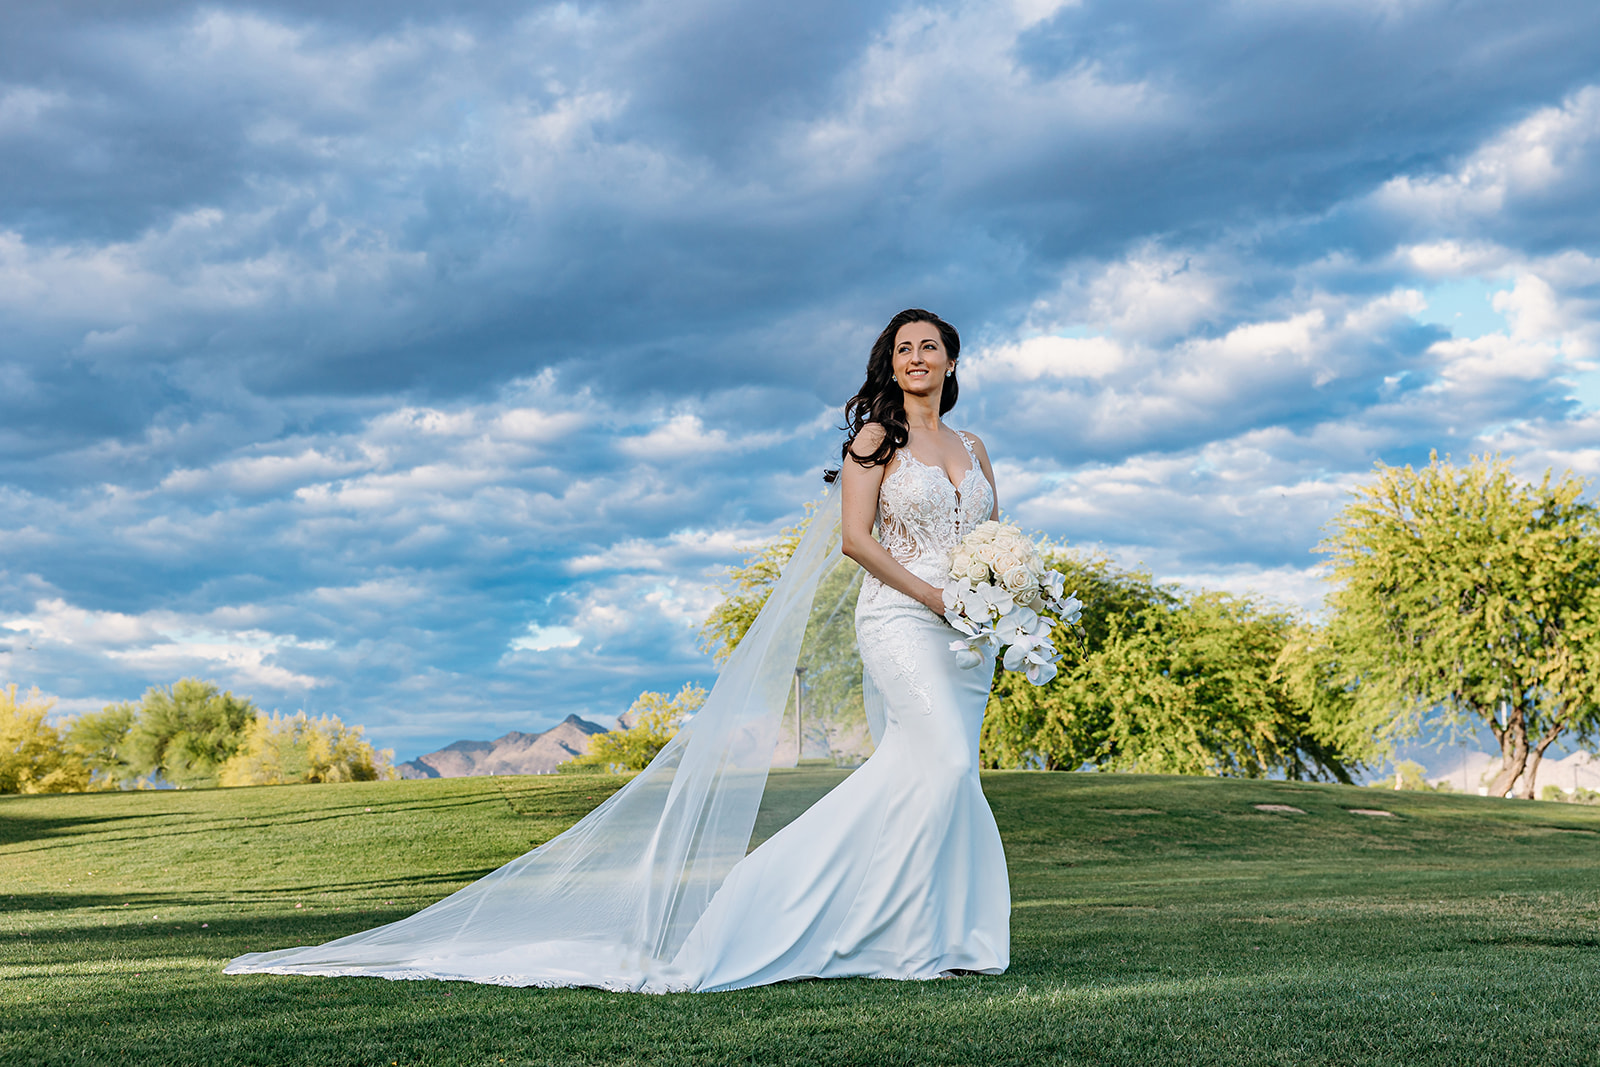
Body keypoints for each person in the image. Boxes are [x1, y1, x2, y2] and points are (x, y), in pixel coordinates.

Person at [225, 307, 1008, 991]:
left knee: (946, 772)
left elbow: (991, 539)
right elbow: (853, 540)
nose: (917, 357)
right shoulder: (877, 438)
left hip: (970, 636)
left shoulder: (973, 446)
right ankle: (787, 911)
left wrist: (1003, 599)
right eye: (904, 347)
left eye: (930, 346)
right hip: (903, 621)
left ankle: (947, 939)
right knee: (938, 765)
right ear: (889, 363)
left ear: (950, 360)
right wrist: (935, 595)